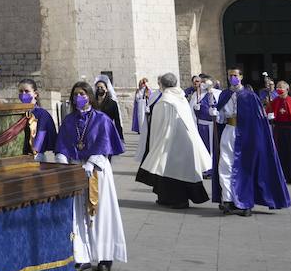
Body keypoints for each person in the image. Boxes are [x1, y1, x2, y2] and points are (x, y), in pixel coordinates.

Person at [56, 81, 126, 271]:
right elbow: (62, 143)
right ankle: (82, 255)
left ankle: (105, 256)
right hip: (76, 170)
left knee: (101, 212)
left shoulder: (101, 119)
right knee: (79, 214)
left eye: (83, 94)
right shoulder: (69, 120)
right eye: (76, 94)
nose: (79, 97)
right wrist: (62, 159)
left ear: (90, 96)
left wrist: (91, 162)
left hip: (97, 170)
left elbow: (104, 143)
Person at [212, 70, 290, 217]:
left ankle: (245, 201)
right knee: (225, 165)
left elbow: (258, 119)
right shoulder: (224, 95)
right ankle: (228, 199)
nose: (233, 78)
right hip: (228, 132)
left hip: (246, 135)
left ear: (241, 77)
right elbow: (221, 118)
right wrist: (216, 114)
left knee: (244, 167)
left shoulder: (250, 96)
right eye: (230, 75)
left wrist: (266, 119)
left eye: (236, 75)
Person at [135, 73, 211, 209]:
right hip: (185, 141)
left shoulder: (164, 101)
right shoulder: (181, 98)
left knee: (170, 172)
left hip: (169, 143)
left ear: (162, 85)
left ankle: (176, 200)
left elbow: (157, 126)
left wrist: (154, 144)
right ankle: (172, 198)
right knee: (182, 171)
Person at [18, 79, 57, 160]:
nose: (23, 94)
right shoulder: (18, 113)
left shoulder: (42, 114)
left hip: (36, 156)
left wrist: (34, 151)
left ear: (35, 94)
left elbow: (41, 134)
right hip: (20, 156)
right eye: (21, 91)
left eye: (26, 91)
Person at [193, 76, 219, 168]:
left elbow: (222, 107)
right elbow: (191, 112)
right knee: (204, 147)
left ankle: (214, 167)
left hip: (214, 125)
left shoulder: (217, 93)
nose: (203, 84)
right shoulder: (197, 95)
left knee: (214, 147)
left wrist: (216, 113)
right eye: (202, 82)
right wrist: (195, 109)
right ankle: (206, 167)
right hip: (202, 125)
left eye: (205, 82)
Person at [93, 76, 124, 141]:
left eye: (102, 87)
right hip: (94, 133)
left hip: (108, 132)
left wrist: (120, 137)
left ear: (106, 89)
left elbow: (117, 121)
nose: (99, 89)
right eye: (98, 87)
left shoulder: (112, 104)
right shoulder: (92, 103)